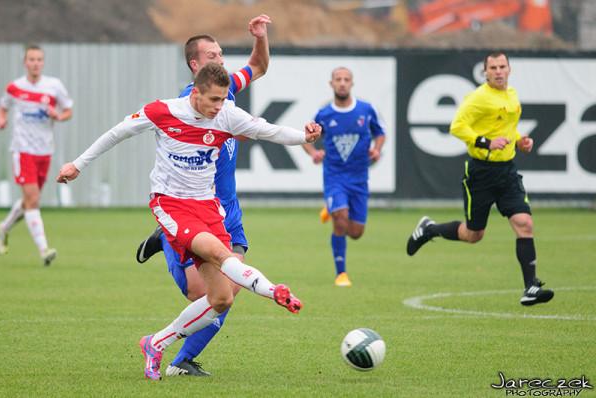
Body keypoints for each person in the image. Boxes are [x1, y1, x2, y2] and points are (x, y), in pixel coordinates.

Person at [57, 62, 321, 381]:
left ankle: (155, 343)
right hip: (171, 205)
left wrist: (304, 136)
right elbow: (117, 133)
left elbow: (270, 130)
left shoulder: (226, 114)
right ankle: (273, 289)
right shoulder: (163, 111)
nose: (219, 107)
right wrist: (78, 164)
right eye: (213, 100)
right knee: (222, 256)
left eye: (223, 99)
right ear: (195, 93)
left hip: (207, 207)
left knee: (221, 299)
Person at [135, 15, 271, 377]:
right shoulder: (192, 102)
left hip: (228, 212)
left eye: (222, 54)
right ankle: (166, 237)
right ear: (196, 67)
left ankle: (181, 361)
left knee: (224, 295)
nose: (221, 60)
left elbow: (257, 66)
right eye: (213, 55)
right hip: (192, 209)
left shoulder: (224, 91)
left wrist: (260, 36)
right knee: (202, 295)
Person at [405, 51, 554, 307]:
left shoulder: (512, 95)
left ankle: (530, 287)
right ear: (485, 72)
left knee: (524, 223)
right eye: (493, 67)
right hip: (480, 174)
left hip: (507, 171)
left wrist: (520, 140)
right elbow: (457, 127)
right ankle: (429, 230)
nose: (498, 71)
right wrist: (486, 142)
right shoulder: (478, 98)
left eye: (502, 66)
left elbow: (506, 128)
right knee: (474, 234)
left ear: (509, 69)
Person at [302, 67, 386, 287]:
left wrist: (377, 149)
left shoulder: (366, 110)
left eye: (346, 79)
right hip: (335, 177)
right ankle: (341, 274)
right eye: (338, 79)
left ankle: (332, 209)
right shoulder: (324, 114)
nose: (342, 83)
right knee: (341, 220)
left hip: (359, 178)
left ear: (352, 83)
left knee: (356, 232)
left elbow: (381, 133)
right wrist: (314, 152)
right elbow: (305, 137)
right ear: (331, 84)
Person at [0, 44, 73, 265]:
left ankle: (4, 227)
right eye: (31, 59)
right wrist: (1, 119)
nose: (35, 63)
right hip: (22, 150)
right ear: (25, 62)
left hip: (45, 150)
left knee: (29, 200)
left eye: (39, 59)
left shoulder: (53, 86)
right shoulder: (14, 88)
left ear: (43, 62)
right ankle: (44, 250)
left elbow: (68, 110)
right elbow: (3, 106)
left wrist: (58, 116)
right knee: (33, 200)